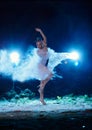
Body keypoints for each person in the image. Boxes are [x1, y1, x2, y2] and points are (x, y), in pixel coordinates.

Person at [35, 28, 53, 105]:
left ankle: (41, 99)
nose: (38, 45)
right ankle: (41, 86)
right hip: (39, 66)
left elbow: (45, 38)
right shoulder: (37, 51)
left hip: (43, 66)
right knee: (51, 74)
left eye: (39, 44)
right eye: (37, 44)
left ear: (42, 43)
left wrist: (40, 31)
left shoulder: (45, 46)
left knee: (42, 83)